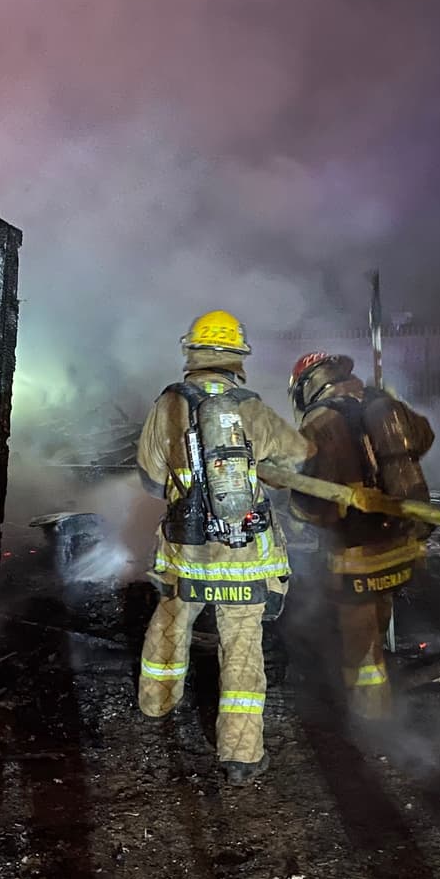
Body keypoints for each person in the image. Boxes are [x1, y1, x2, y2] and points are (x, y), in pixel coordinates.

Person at [136, 310, 312, 785]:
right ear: (238, 357)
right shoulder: (250, 406)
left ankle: (155, 706)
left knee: (171, 621)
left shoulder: (167, 405)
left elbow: (151, 479)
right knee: (242, 647)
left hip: (187, 551)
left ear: (191, 353)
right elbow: (299, 454)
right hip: (243, 554)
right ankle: (241, 754)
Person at [287, 352, 433, 720]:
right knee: (377, 629)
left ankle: (372, 723)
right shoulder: (384, 403)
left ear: (308, 385)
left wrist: (298, 514)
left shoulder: (320, 422)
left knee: (361, 647)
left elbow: (310, 500)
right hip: (402, 541)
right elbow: (424, 438)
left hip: (356, 551)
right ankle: (381, 695)